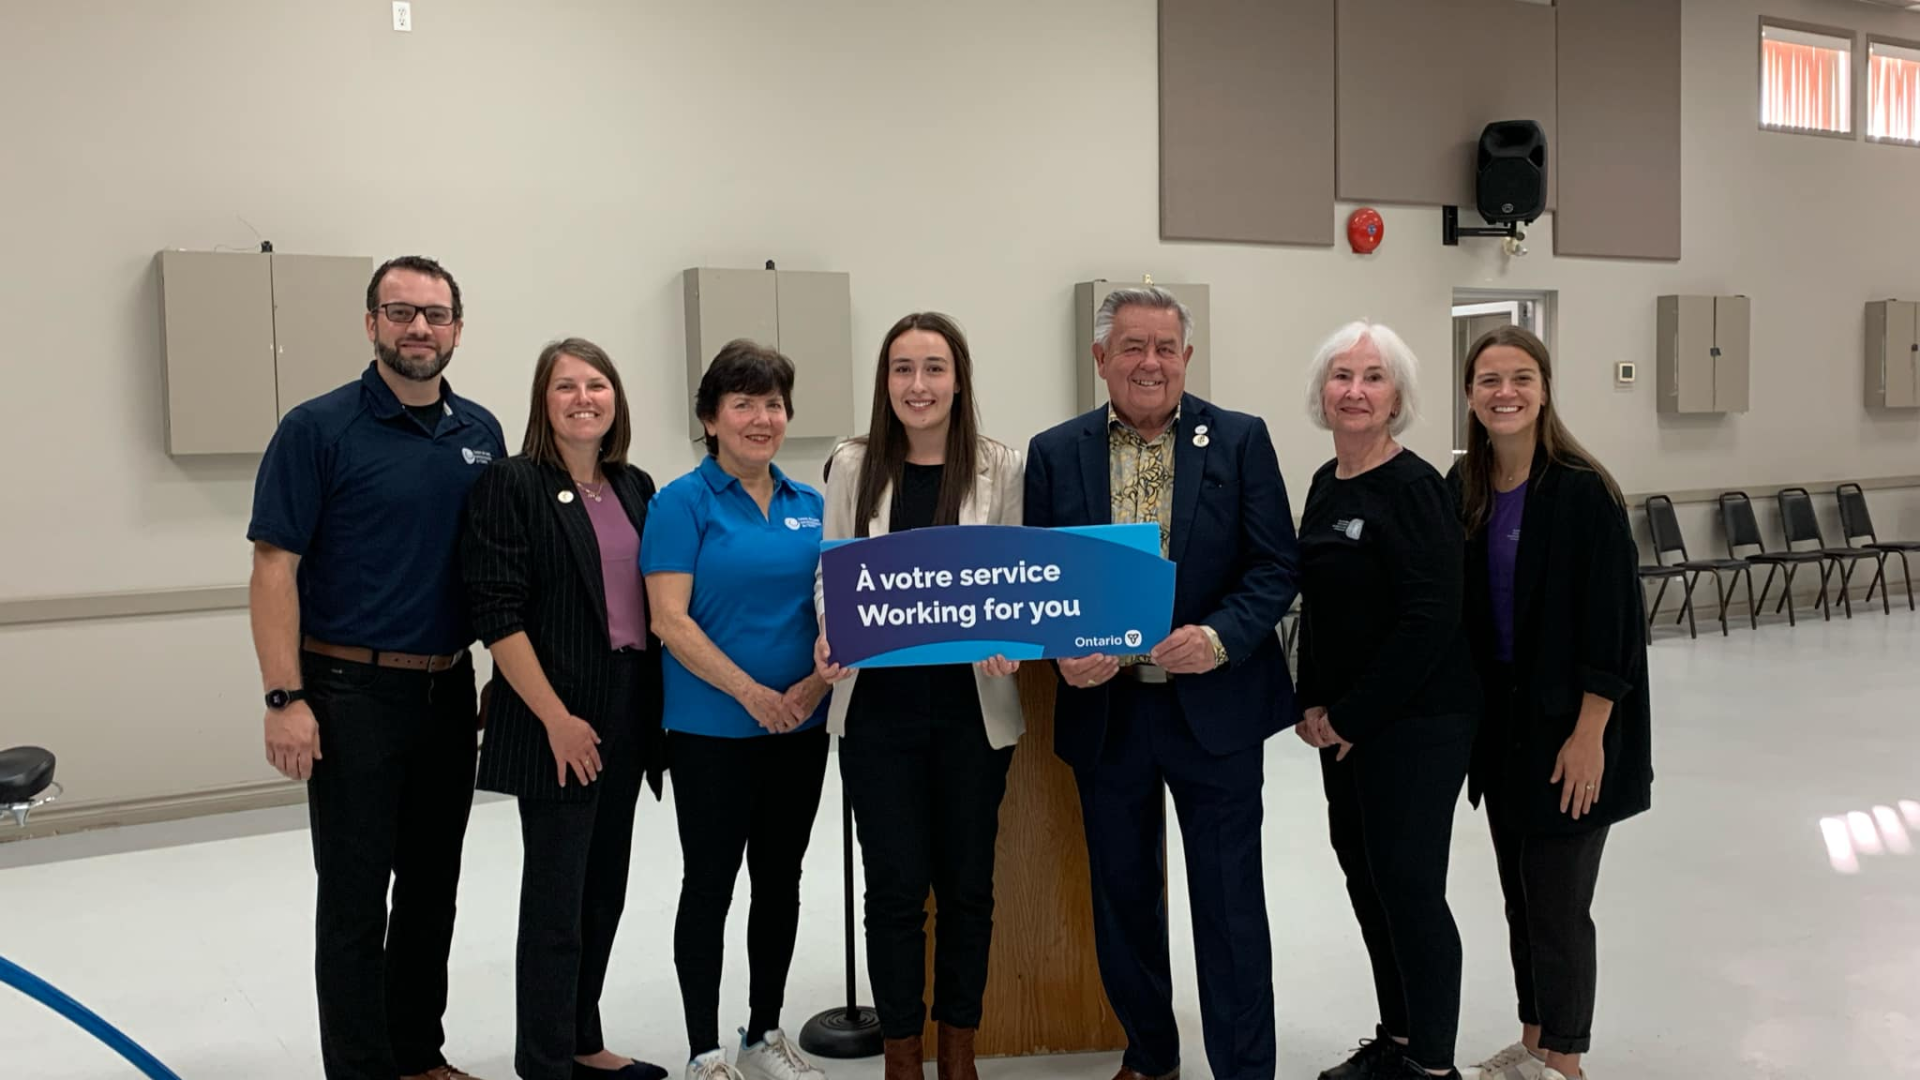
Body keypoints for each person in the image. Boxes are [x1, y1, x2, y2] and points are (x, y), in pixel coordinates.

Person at [1023, 286, 1299, 1080]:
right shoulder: (1055, 452)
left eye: (1166, 347)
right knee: (1122, 900)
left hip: (1214, 711)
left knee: (1229, 903)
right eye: (1133, 347)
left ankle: (1244, 1069)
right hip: (1107, 715)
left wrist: (1219, 638)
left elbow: (1275, 565)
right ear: (1100, 357)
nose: (1150, 362)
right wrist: (1061, 649)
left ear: (1187, 356)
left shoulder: (1241, 440)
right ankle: (1150, 1055)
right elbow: (1041, 577)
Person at [247, 255, 506, 1080]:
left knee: (432, 891)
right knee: (356, 900)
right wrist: (283, 698)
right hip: (349, 692)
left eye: (435, 314)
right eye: (400, 312)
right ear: (371, 324)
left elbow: (498, 567)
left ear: (457, 330)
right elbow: (273, 567)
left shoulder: (481, 434)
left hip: (448, 689)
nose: (418, 328)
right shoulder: (317, 429)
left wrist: (502, 673)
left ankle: (419, 1057)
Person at [811, 313, 1026, 1080]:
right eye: (902, 369)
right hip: (877, 714)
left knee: (968, 890)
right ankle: (902, 1055)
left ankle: (957, 1054)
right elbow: (831, 569)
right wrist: (830, 628)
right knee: (895, 893)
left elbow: (1013, 578)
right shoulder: (853, 463)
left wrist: (1012, 635)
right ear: (885, 381)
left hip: (973, 712)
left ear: (958, 381)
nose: (918, 384)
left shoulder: (1001, 466)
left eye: (934, 368)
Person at [462, 338, 670, 1080]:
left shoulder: (636, 485)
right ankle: (546, 1061)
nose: (584, 398)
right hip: (556, 712)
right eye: (566, 386)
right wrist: (556, 718)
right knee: (557, 898)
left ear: (617, 399)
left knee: (603, 888)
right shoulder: (512, 484)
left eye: (597, 385)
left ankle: (584, 1040)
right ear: (542, 402)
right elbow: (497, 613)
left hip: (629, 704)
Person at [1449, 326, 1652, 1080]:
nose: (1505, 393)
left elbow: (1615, 626)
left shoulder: (1582, 489)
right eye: (1489, 380)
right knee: (1522, 899)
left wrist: (1589, 734)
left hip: (1572, 727)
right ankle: (1534, 1039)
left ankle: (1565, 1062)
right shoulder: (1465, 485)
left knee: (1559, 905)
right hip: (1504, 729)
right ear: (1470, 395)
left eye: (1521, 378)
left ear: (1543, 390)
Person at [1292, 322, 1479, 1080]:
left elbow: (1429, 621)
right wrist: (1313, 703)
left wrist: (1352, 716)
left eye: (1373, 377)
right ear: (1322, 391)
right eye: (1342, 376)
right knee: (1367, 881)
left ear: (1397, 397)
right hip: (1345, 728)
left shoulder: (1416, 489)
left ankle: (1432, 1064)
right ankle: (1398, 1039)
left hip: (1416, 725)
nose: (1355, 390)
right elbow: (1318, 606)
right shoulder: (1326, 482)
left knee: (1410, 889)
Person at [641, 341, 833, 1080]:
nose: (761, 419)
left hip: (800, 727)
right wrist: (754, 695)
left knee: (780, 881)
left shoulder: (811, 505)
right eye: (743, 404)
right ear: (710, 418)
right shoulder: (681, 502)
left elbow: (836, 616)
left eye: (773, 404)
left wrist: (808, 692)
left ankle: (763, 1034)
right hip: (711, 731)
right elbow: (669, 619)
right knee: (710, 883)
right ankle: (704, 1051)